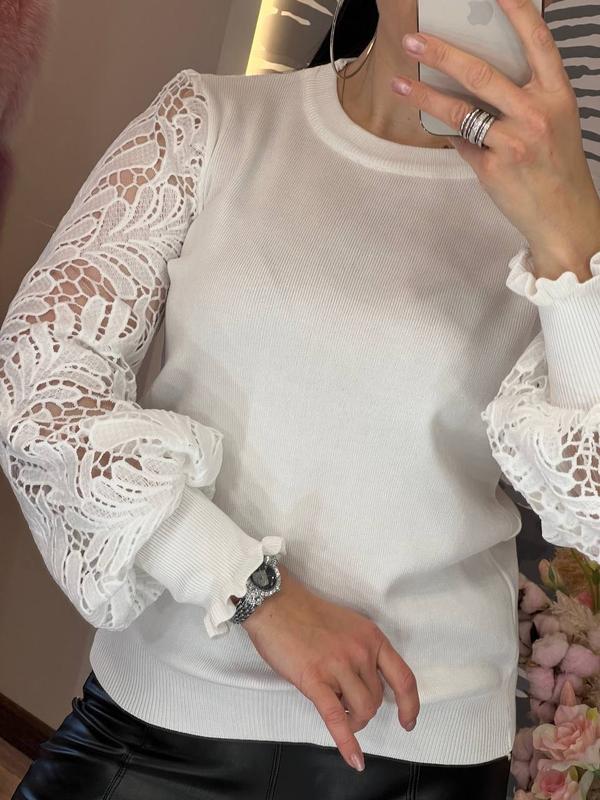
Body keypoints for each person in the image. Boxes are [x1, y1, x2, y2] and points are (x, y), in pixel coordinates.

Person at [2, 0, 599, 798]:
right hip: (154, 722)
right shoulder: (213, 121)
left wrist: (571, 249)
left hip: (423, 750)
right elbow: (40, 384)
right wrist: (244, 584)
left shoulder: (565, 210)